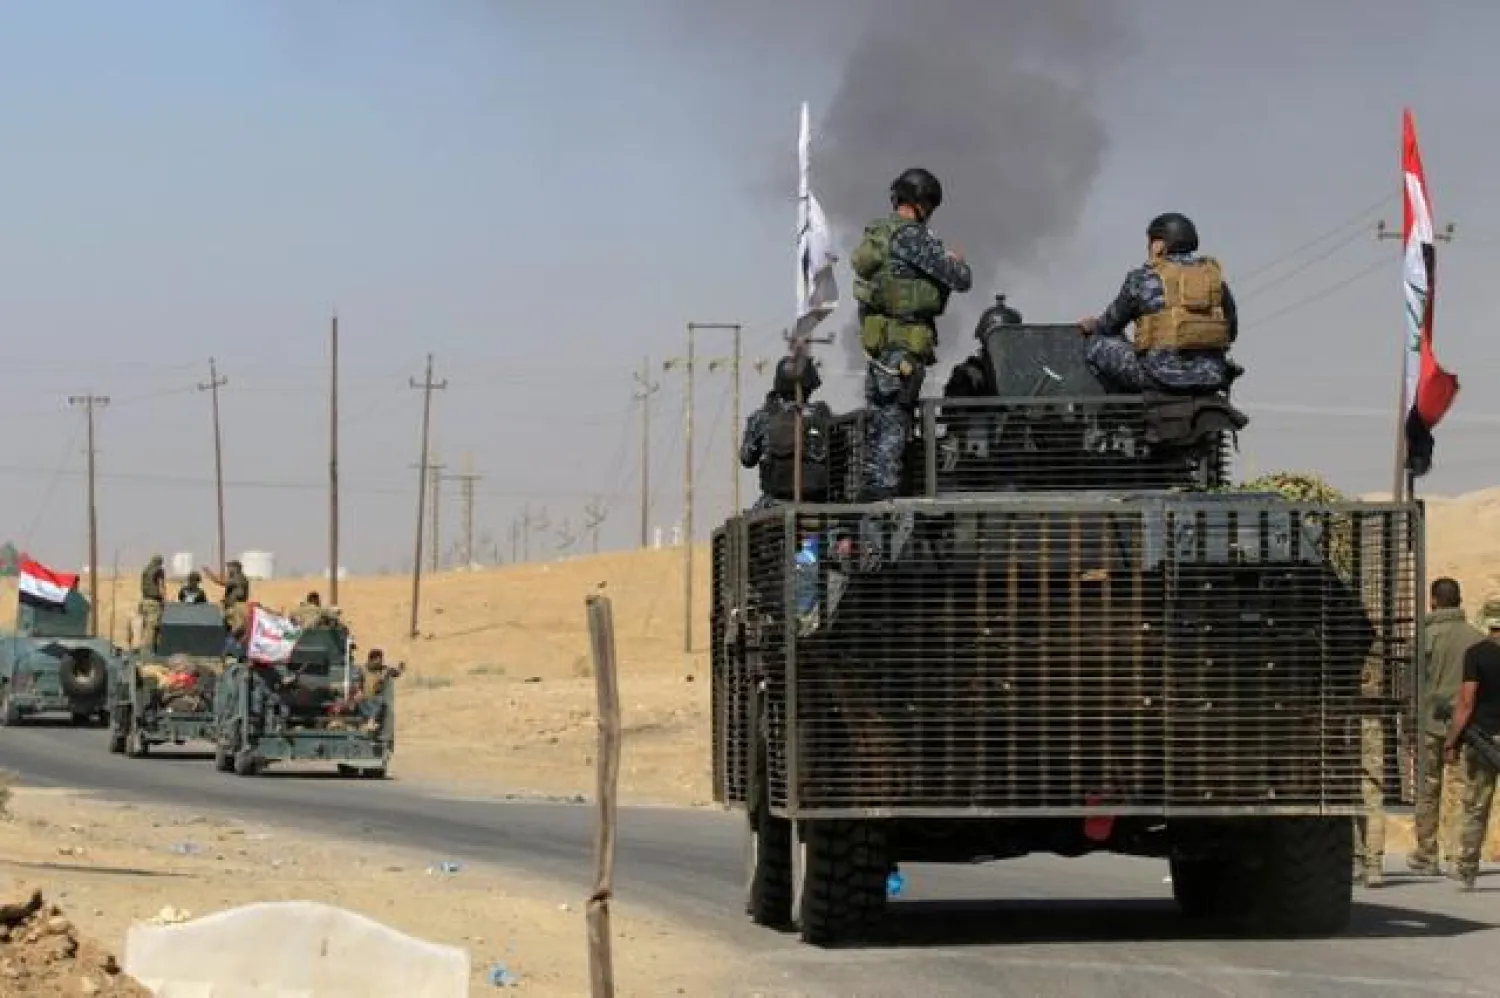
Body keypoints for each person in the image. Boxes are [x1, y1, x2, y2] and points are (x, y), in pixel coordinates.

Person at [850, 167, 973, 501]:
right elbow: (961, 280)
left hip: (879, 350)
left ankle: (874, 505)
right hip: (903, 349)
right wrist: (956, 261)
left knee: (878, 428)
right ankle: (885, 515)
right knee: (894, 429)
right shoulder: (912, 237)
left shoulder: (878, 233)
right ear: (921, 203)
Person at [1079, 212, 1240, 395]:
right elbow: (1231, 332)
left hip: (1160, 378)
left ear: (1158, 245)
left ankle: (1129, 408)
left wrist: (1093, 326)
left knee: (1096, 343)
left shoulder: (1142, 279)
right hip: (1212, 375)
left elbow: (1109, 327)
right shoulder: (1214, 280)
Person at [1407, 578, 1484, 878]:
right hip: (1466, 725)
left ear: (1433, 601)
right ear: (1460, 599)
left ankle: (1427, 854)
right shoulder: (1476, 638)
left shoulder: (1423, 637)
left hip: (1428, 723)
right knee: (1461, 788)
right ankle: (1456, 853)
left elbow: (1412, 682)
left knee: (1427, 789)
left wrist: (1410, 720)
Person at [1444, 598, 1500, 889]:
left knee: (1476, 806)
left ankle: (1467, 870)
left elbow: (1466, 701)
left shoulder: (1477, 654)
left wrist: (1451, 740)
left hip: (1485, 739)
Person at [739, 356, 834, 509]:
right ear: (810, 386)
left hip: (775, 503)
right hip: (821, 504)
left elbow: (747, 459)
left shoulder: (763, 417)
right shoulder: (824, 416)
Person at [200, 561, 251, 634]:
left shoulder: (238, 578)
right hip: (231, 606)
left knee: (237, 628)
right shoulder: (236, 577)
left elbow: (220, 582)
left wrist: (209, 573)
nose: (228, 570)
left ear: (236, 568)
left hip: (237, 607)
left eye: (229, 568)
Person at [138, 555, 166, 653]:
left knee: (145, 626)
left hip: (144, 601)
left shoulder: (145, 570)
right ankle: (148, 651)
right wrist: (164, 601)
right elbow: (160, 586)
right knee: (152, 627)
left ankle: (141, 647)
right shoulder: (159, 571)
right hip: (154, 602)